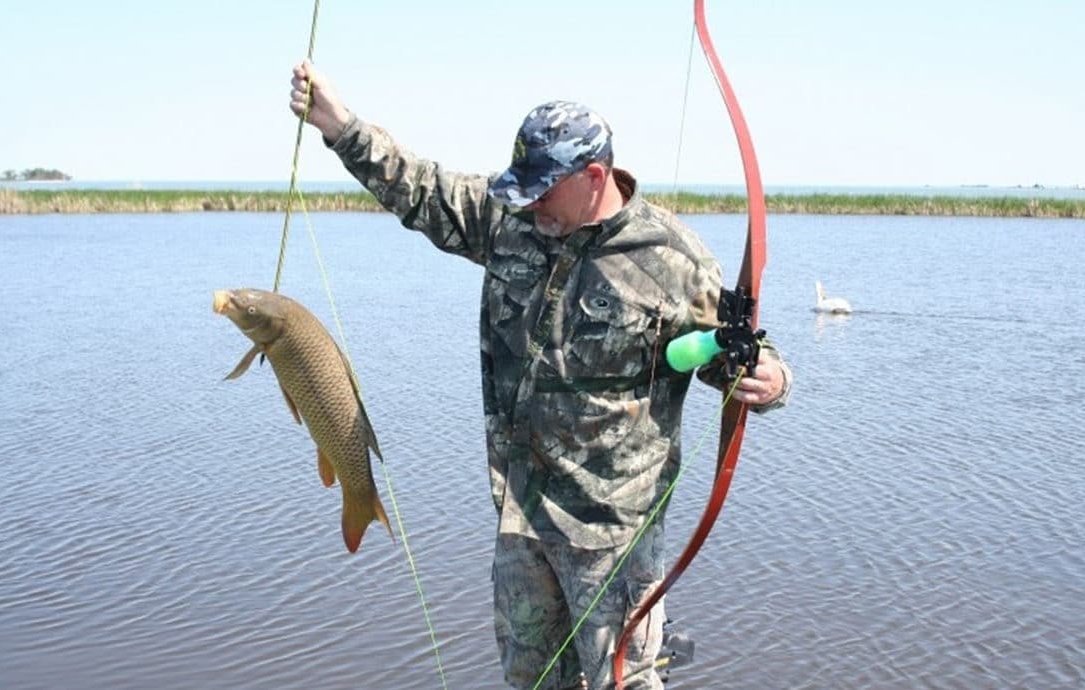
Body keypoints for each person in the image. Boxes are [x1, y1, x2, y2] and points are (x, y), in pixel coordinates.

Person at [288, 59, 792, 690]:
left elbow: (734, 356)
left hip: (613, 537)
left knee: (622, 681)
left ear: (595, 176)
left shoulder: (672, 259)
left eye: (543, 190)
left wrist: (770, 382)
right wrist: (338, 124)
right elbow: (416, 187)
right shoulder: (511, 222)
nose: (529, 203)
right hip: (520, 516)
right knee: (529, 680)